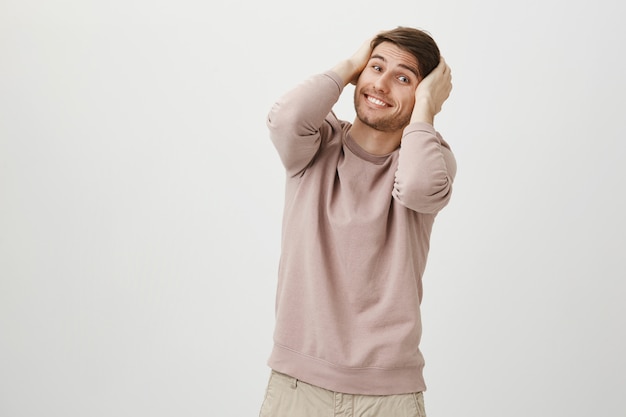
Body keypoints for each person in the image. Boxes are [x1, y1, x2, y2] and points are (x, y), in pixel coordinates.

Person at [259, 26, 456, 417]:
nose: (381, 84)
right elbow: (285, 120)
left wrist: (427, 108)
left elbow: (417, 186)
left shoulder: (428, 158)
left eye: (404, 78)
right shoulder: (315, 144)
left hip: (389, 397)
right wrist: (350, 64)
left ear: (423, 94)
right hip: (298, 386)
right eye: (375, 67)